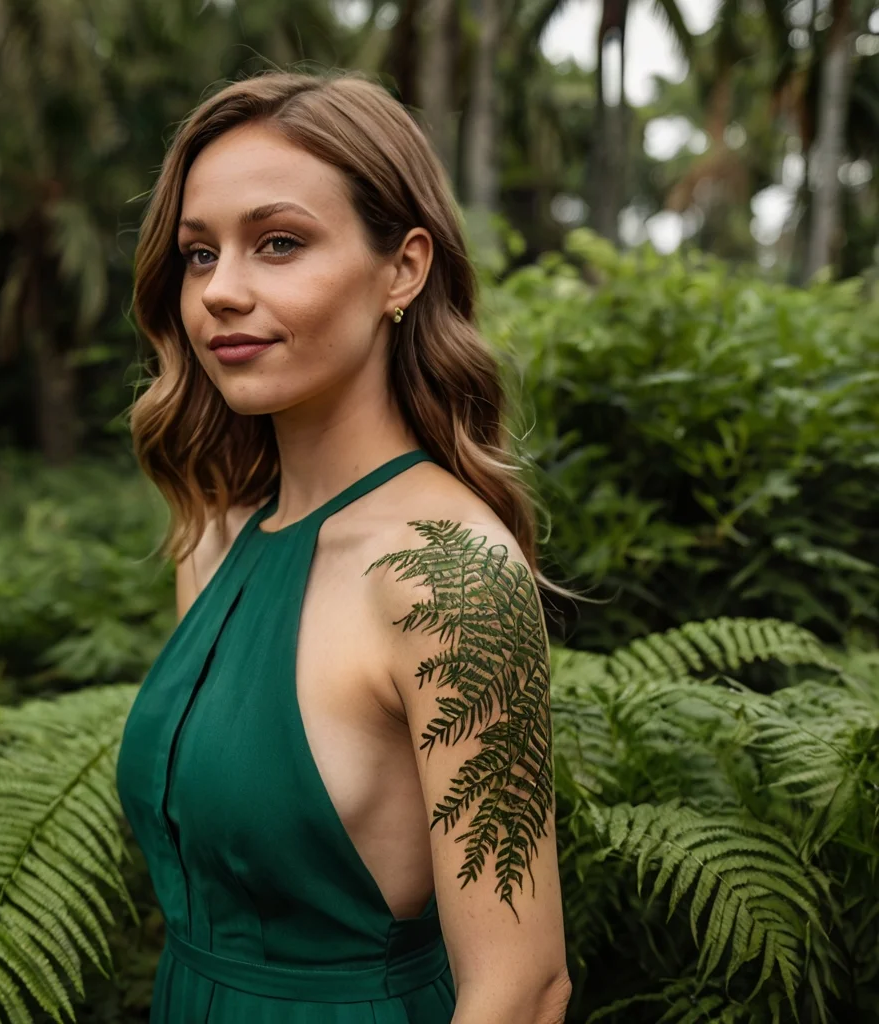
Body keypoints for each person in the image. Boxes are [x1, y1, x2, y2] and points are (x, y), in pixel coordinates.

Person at [116, 69, 571, 1023]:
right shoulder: (219, 535)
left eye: (278, 243)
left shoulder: (449, 576)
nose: (221, 293)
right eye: (199, 256)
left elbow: (523, 988)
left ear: (402, 268)